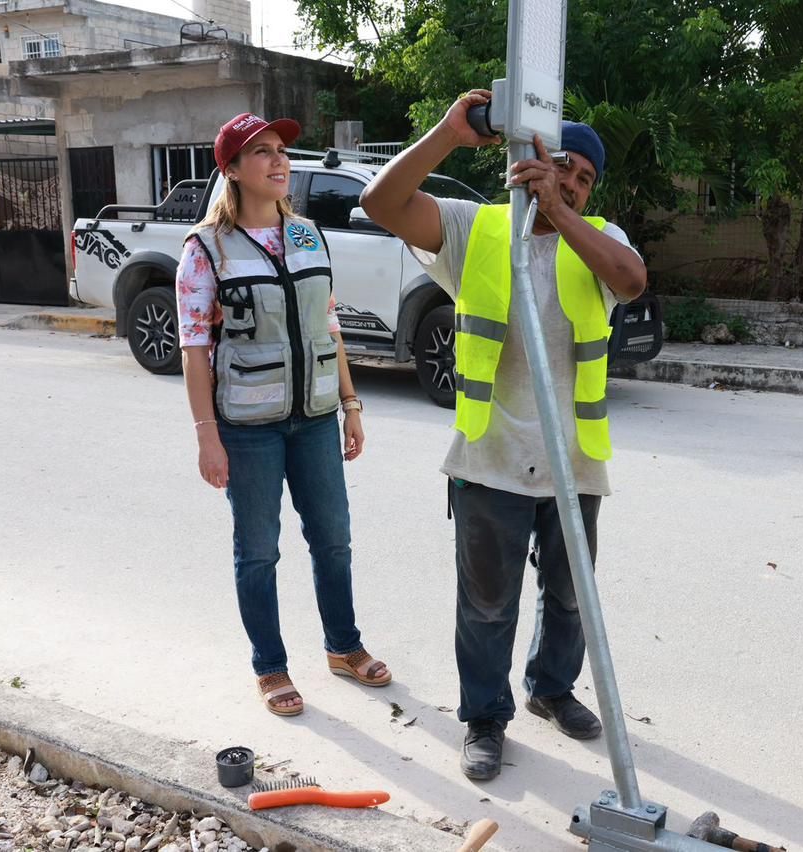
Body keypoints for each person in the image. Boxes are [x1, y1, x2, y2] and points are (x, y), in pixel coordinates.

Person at [360, 91, 647, 780]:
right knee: (487, 606)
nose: (573, 183)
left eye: (583, 179)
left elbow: (632, 282)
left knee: (571, 594)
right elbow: (380, 203)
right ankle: (484, 717)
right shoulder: (475, 230)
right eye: (563, 167)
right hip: (489, 461)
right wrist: (446, 135)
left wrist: (559, 212)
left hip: (573, 464)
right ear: (526, 162)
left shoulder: (601, 237)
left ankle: (550, 689)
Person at [178, 112, 391, 717]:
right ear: (232, 170)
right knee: (259, 550)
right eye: (263, 153)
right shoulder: (204, 250)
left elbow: (329, 327)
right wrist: (206, 437)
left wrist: (350, 404)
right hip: (248, 428)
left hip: (317, 417)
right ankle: (270, 666)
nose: (279, 162)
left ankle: (343, 648)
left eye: (281, 151)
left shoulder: (307, 236)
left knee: (334, 540)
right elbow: (196, 351)